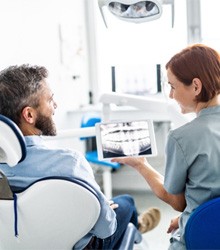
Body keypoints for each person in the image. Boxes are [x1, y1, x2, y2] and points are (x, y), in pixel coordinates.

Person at [0, 64, 161, 250]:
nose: (55, 105)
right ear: (29, 114)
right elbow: (105, 228)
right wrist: (103, 207)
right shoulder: (70, 163)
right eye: (50, 99)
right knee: (126, 203)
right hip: (80, 246)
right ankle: (138, 225)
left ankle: (138, 224)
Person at [112, 43, 220, 249]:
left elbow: (177, 201)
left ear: (196, 87)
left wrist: (141, 164)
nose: (170, 95)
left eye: (172, 86)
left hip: (200, 239)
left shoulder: (182, 137)